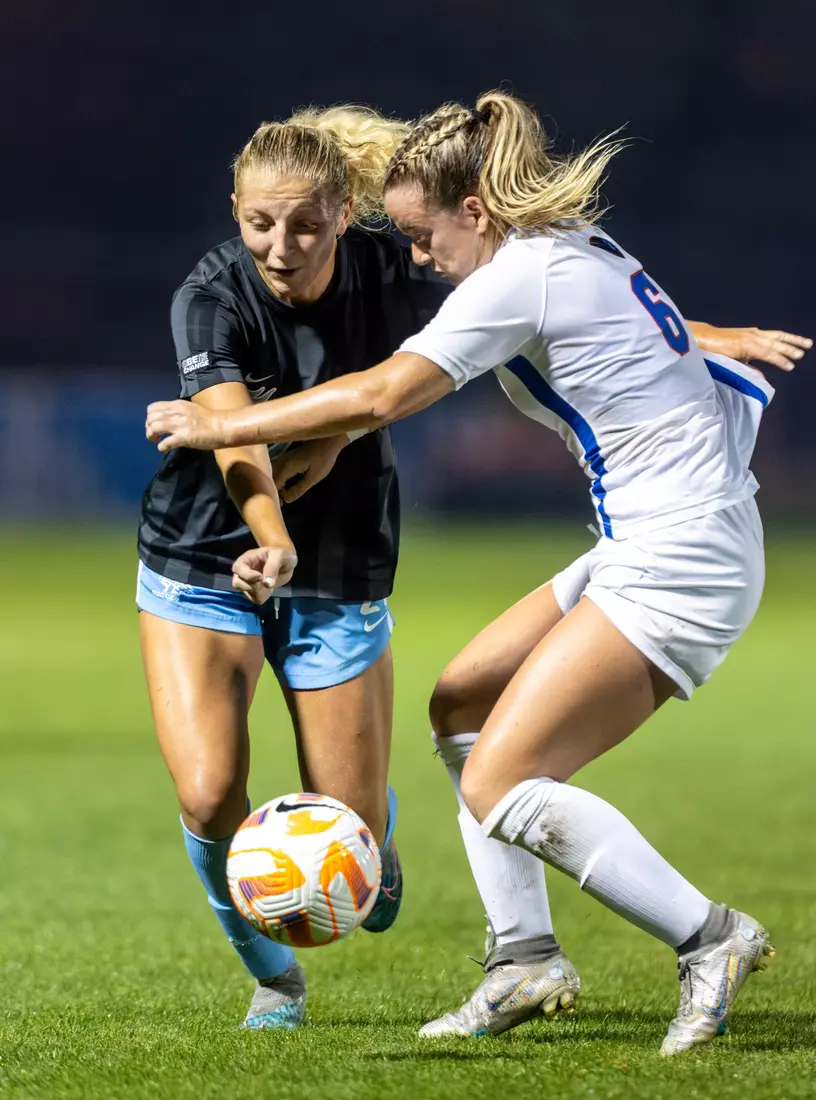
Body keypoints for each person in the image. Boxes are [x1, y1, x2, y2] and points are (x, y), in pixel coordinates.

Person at [145, 93, 812, 1053]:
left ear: (474, 211)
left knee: (501, 777)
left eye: (424, 237)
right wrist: (715, 338)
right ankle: (522, 958)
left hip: (681, 557)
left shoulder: (518, 277)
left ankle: (708, 937)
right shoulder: (567, 244)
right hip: (653, 538)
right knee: (459, 705)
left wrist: (221, 424)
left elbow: (382, 392)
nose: (417, 257)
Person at [136, 104, 452, 1030]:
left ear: (345, 212)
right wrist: (271, 537)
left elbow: (484, 342)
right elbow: (234, 441)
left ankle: (377, 834)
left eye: (307, 225)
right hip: (204, 552)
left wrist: (344, 431)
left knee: (352, 830)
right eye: (259, 223)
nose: (280, 247)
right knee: (207, 793)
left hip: (343, 555)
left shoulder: (392, 268)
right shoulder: (210, 296)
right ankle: (275, 980)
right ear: (234, 210)